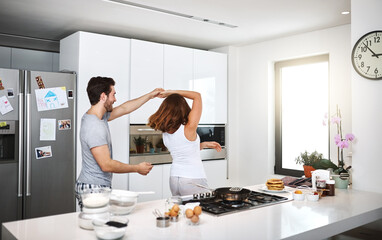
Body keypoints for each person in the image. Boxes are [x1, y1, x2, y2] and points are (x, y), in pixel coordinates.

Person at [75, 76, 163, 209]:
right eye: (113, 95)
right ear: (103, 96)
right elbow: (106, 165)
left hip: (94, 186)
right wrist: (137, 168)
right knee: (97, 227)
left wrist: (150, 95)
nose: (115, 99)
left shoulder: (97, 117)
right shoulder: (94, 127)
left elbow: (124, 108)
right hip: (94, 189)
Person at [148, 90, 222, 196]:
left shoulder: (165, 133)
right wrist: (171, 93)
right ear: (183, 108)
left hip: (174, 179)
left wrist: (204, 145)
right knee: (201, 211)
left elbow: (184, 149)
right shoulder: (189, 128)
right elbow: (197, 96)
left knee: (180, 210)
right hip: (193, 178)